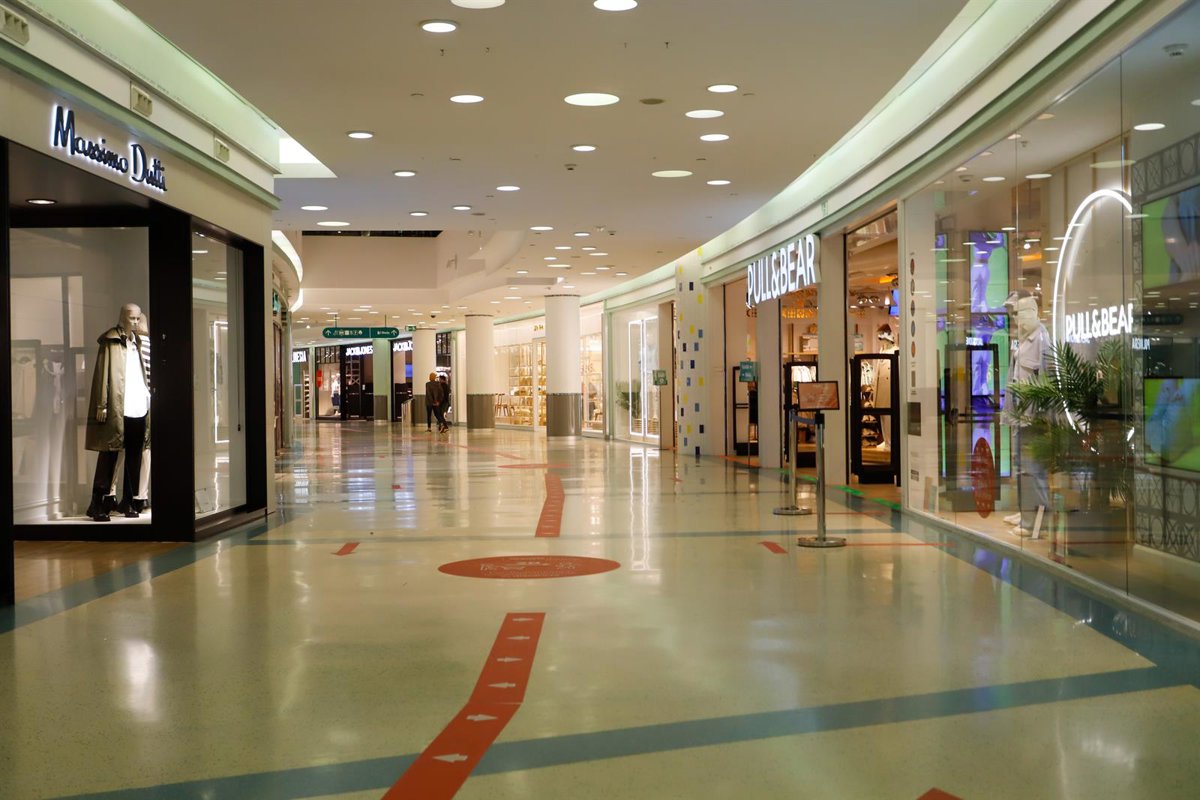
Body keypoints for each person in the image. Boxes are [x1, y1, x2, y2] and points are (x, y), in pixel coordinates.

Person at [85, 302, 151, 521]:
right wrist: (101, 404)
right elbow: (102, 373)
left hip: (138, 406)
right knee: (109, 454)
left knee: (134, 455)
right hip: (117, 406)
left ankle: (129, 502)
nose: (135, 322)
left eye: (137, 318)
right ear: (122, 317)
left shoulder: (137, 342)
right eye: (131, 318)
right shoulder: (110, 341)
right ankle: (97, 504)